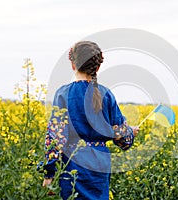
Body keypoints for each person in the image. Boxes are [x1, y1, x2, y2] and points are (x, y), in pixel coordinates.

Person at [42, 41, 139, 199]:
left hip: (71, 162)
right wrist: (130, 132)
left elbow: (55, 137)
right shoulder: (106, 94)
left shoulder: (63, 93)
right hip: (99, 162)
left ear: (73, 64)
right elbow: (123, 140)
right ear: (97, 67)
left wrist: (49, 173)